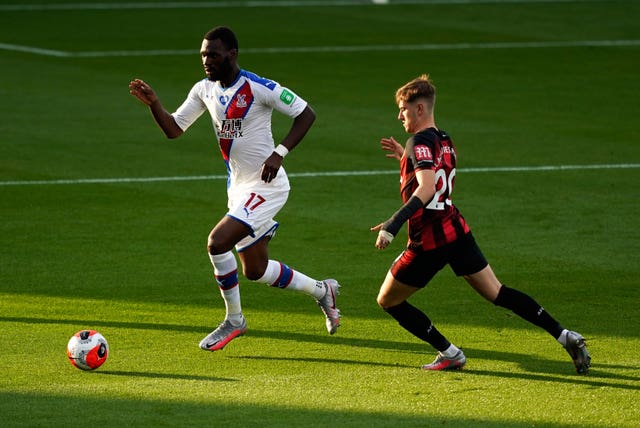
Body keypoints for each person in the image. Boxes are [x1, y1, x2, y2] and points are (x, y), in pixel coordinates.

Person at [129, 26, 340, 351]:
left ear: (232, 54)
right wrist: (154, 104)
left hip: (267, 186)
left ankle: (235, 320)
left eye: (213, 54)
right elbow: (174, 129)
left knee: (217, 242)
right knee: (255, 269)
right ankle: (322, 291)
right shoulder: (203, 90)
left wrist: (279, 153)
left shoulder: (259, 87)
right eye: (203, 55)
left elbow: (306, 114)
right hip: (239, 188)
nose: (206, 60)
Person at [370, 74, 590, 374]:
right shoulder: (444, 139)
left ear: (420, 109)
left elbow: (427, 188)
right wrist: (404, 156)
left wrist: (392, 225)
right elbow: (434, 174)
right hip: (457, 231)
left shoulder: (419, 140)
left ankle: (450, 353)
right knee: (498, 293)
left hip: (430, 241)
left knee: (387, 299)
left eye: (403, 110)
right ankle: (565, 335)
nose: (399, 116)